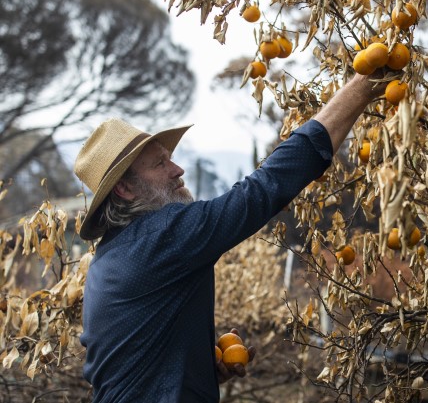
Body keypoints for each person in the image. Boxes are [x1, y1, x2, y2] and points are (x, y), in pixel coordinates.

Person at [74, 72, 383, 402]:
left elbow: (130, 361)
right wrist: (363, 86)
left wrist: (198, 366)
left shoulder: (109, 257)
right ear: (124, 189)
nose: (177, 170)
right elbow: (261, 191)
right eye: (160, 164)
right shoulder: (164, 236)